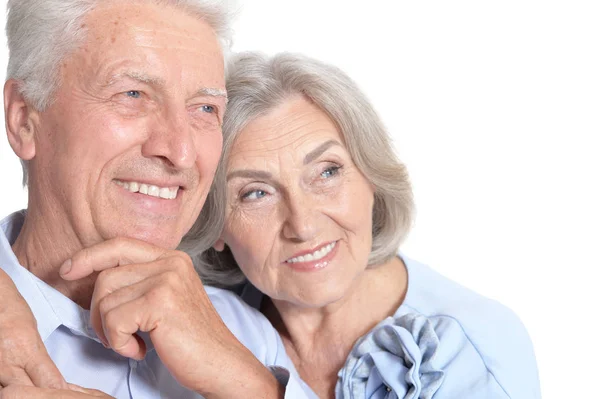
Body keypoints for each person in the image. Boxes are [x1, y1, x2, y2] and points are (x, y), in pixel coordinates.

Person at [1, 50, 542, 398]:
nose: (303, 225)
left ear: (371, 179)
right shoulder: (212, 311)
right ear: (212, 223)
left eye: (327, 172)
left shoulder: (472, 345)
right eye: (255, 193)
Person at [0, 1, 315, 398]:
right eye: (133, 94)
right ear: (24, 118)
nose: (180, 152)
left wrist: (250, 386)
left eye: (204, 108)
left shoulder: (243, 335)